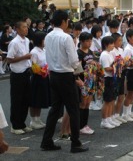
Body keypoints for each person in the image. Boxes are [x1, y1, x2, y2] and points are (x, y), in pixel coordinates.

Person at [40, 10, 88, 153]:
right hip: (66, 76)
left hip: (53, 75)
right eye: (67, 21)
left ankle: (46, 141)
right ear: (63, 21)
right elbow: (73, 61)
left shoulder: (48, 36)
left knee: (55, 109)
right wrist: (79, 74)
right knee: (73, 109)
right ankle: (75, 143)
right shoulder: (66, 37)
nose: (68, 23)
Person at [6, 21, 32, 135]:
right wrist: (24, 57)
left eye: (27, 27)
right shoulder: (14, 42)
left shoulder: (26, 40)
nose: (26, 29)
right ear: (17, 29)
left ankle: (22, 123)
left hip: (26, 72)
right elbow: (9, 59)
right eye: (24, 27)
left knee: (26, 99)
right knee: (17, 100)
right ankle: (15, 125)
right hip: (17, 74)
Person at [29, 31, 50, 130]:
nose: (45, 41)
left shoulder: (44, 50)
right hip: (37, 77)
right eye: (44, 39)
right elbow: (33, 66)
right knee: (35, 99)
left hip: (45, 77)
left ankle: (38, 119)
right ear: (39, 40)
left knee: (41, 98)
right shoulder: (34, 52)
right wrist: (41, 71)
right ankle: (33, 120)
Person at [100, 36, 121, 129]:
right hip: (106, 78)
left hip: (111, 77)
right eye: (111, 44)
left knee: (112, 99)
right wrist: (116, 67)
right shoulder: (104, 54)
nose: (113, 45)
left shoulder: (109, 53)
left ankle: (109, 118)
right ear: (106, 45)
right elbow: (106, 68)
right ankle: (104, 120)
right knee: (107, 100)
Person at [77, 32, 95, 135]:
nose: (89, 43)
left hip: (91, 80)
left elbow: (94, 62)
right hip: (83, 80)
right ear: (82, 42)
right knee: (82, 103)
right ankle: (80, 125)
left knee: (88, 103)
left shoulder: (90, 52)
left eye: (90, 41)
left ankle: (85, 124)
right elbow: (78, 67)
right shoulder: (79, 53)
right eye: (87, 41)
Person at [121, 29, 133, 122]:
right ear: (129, 38)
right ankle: (125, 113)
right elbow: (125, 63)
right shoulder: (127, 49)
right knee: (129, 93)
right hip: (130, 72)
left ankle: (129, 112)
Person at [110, 33, 128, 123]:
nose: (121, 42)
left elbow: (124, 60)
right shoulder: (112, 51)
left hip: (122, 73)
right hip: (115, 75)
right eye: (119, 40)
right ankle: (111, 115)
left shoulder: (121, 50)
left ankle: (117, 114)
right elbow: (113, 64)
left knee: (121, 95)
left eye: (121, 40)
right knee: (114, 97)